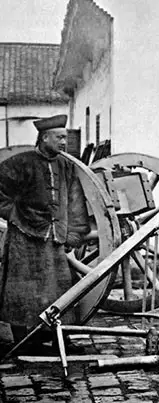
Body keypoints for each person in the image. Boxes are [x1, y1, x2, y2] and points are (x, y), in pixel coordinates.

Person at [0, 114, 90, 354]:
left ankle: (60, 339)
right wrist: (14, 214)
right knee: (21, 289)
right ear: (44, 138)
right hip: (23, 237)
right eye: (59, 138)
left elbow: (75, 202)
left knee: (61, 288)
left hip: (55, 238)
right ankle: (22, 342)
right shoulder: (19, 163)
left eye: (65, 138)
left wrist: (74, 234)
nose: (64, 142)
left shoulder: (66, 166)